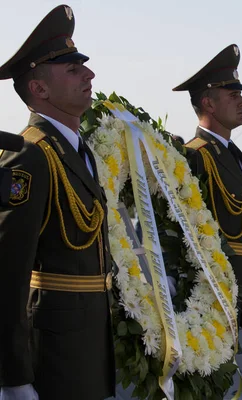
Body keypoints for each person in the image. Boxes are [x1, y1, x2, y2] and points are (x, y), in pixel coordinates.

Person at [0, 5, 115, 399]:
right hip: (53, 355)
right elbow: (6, 273)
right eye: (72, 69)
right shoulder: (29, 155)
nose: (90, 74)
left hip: (87, 345)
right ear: (40, 89)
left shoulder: (76, 150)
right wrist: (12, 377)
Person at [173, 44, 242, 333]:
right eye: (234, 95)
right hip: (206, 295)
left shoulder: (231, 153)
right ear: (208, 103)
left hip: (231, 288)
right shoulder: (195, 155)